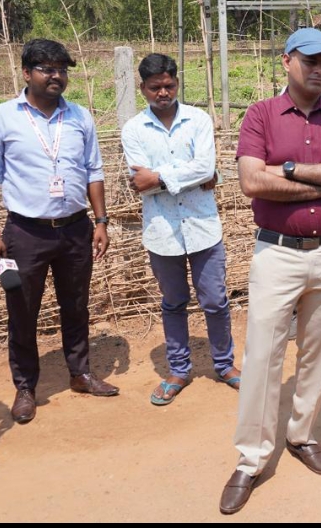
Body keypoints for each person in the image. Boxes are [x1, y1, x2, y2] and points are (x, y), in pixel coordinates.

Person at [219, 28, 321, 515]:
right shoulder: (261, 114)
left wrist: (284, 170)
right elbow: (249, 181)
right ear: (286, 61)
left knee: (319, 352)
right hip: (277, 254)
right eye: (311, 60)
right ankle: (251, 458)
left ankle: (301, 435)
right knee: (263, 354)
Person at [0, 38, 118, 426]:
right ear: (26, 73)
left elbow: (94, 171)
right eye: (47, 68)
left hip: (75, 228)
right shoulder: (2, 117)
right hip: (25, 232)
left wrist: (101, 221)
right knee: (23, 310)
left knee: (76, 304)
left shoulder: (80, 117)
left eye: (62, 69)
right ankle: (25, 387)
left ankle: (80, 373)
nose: (57, 76)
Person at [121, 53, 239, 406]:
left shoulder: (198, 120)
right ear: (143, 88)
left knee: (216, 301)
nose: (163, 92)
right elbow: (138, 180)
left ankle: (225, 364)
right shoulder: (133, 130)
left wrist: (159, 176)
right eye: (155, 87)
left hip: (203, 227)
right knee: (173, 303)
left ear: (177, 83)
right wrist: (190, 176)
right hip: (162, 230)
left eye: (169, 85)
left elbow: (206, 168)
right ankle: (179, 370)